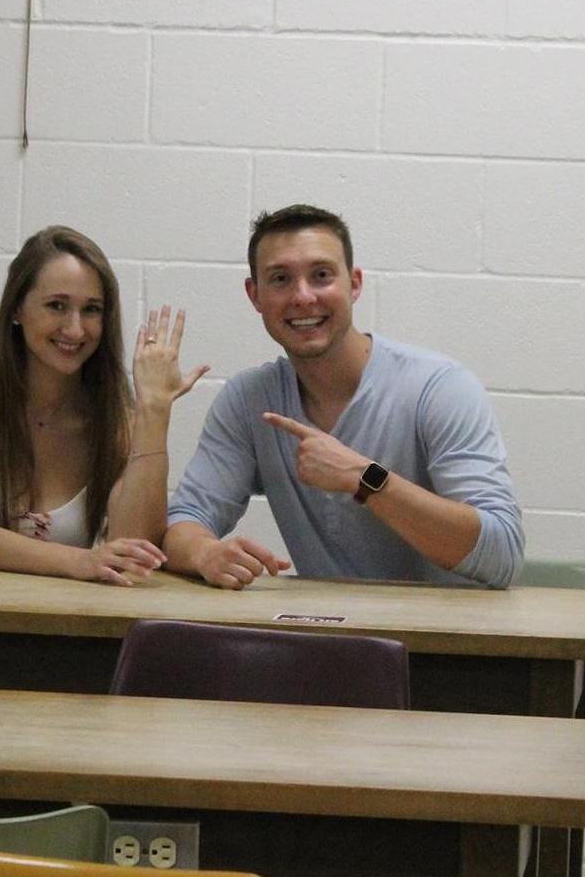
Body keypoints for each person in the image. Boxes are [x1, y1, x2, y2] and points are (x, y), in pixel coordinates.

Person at [164, 204, 523, 590]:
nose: (302, 296)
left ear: (354, 284)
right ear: (255, 295)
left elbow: (501, 555)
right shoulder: (250, 400)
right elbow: (185, 519)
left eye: (321, 276)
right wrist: (206, 553)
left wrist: (365, 479)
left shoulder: (439, 388)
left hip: (453, 644)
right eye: (280, 279)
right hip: (331, 639)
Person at [0, 225, 207, 585]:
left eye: (92, 310)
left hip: (55, 628)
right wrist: (82, 562)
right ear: (17, 307)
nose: (75, 329)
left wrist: (155, 410)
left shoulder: (114, 420)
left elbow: (135, 549)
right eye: (56, 306)